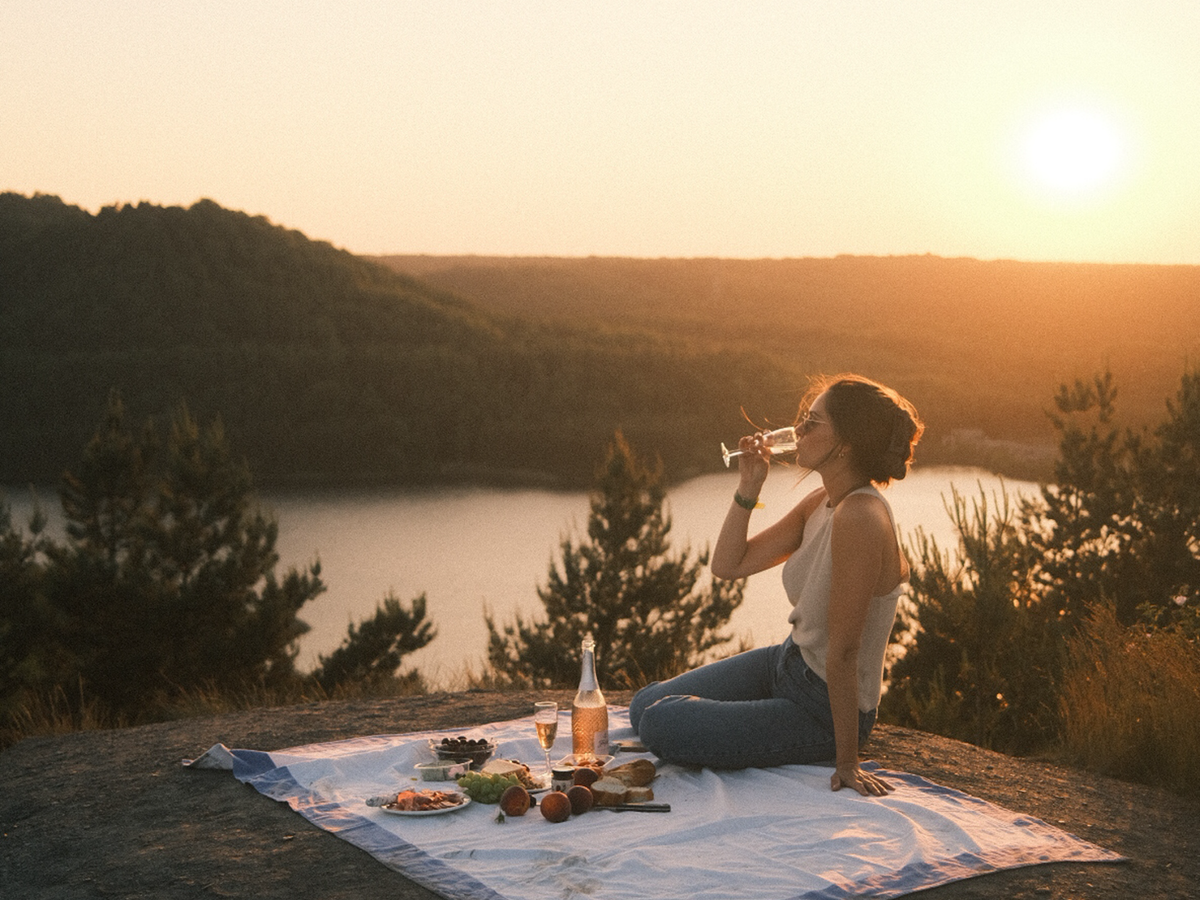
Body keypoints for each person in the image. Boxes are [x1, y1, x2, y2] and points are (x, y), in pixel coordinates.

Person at [630, 373, 923, 796]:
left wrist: (847, 763)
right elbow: (729, 565)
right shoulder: (822, 501)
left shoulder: (861, 517)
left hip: (821, 707)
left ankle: (814, 742)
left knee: (660, 722)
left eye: (813, 423)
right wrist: (749, 486)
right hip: (787, 663)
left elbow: (843, 651)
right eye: (803, 418)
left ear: (846, 445)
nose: (798, 429)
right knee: (642, 705)